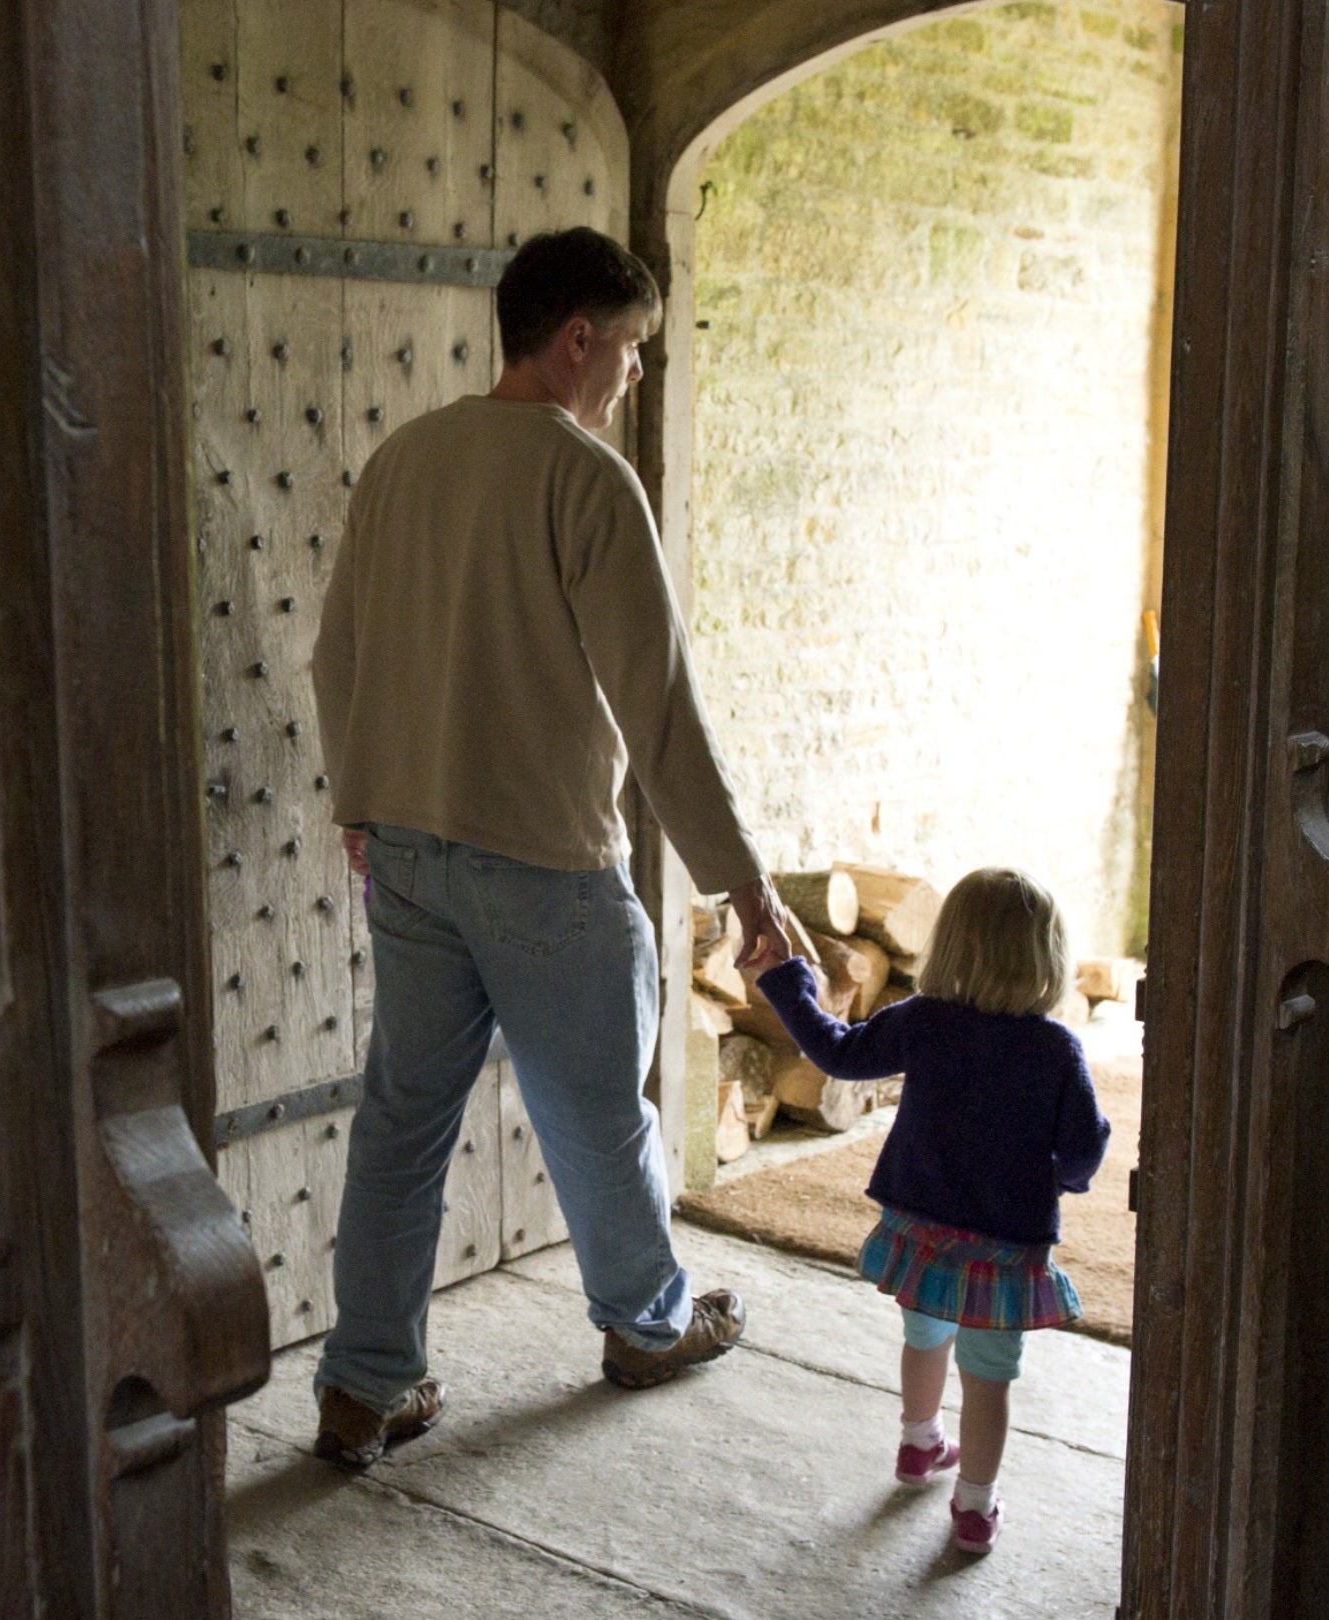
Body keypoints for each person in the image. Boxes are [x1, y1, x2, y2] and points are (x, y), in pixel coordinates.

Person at [306, 226, 799, 1469]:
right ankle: (645, 1325)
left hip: (408, 859)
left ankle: (363, 1389)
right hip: (544, 867)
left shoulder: (402, 461)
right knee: (599, 1123)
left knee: (401, 1125)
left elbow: (336, 656)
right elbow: (661, 703)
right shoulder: (585, 481)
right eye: (631, 349)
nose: (634, 375)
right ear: (579, 338)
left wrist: (359, 800)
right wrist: (745, 881)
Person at [744, 867, 1111, 1554]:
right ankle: (973, 1508)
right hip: (1003, 1247)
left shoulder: (922, 1022)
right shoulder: (1057, 1050)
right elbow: (1083, 1151)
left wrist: (787, 979)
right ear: (1048, 958)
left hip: (922, 1229)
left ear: (949, 948)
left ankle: (919, 1447)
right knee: (989, 1378)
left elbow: (838, 1052)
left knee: (924, 1338)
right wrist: (1070, 1177)